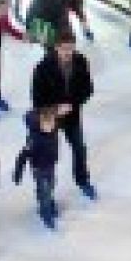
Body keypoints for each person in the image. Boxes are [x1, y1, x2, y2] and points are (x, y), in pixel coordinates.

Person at [32, 31, 97, 200]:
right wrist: (54, 110)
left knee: (79, 149)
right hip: (49, 118)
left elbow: (88, 89)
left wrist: (72, 105)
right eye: (65, 49)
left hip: (72, 116)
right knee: (48, 159)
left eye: (71, 49)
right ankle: (46, 197)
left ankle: (83, 180)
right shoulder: (43, 67)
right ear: (56, 48)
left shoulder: (80, 61)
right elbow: (37, 98)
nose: (68, 52)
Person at [14, 104, 62, 229]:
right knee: (43, 188)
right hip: (38, 168)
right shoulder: (34, 139)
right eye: (46, 125)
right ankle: (45, 212)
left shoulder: (54, 130)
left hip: (50, 165)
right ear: (40, 123)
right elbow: (22, 156)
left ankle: (48, 201)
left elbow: (57, 111)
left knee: (51, 184)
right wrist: (18, 172)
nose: (49, 127)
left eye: (51, 124)